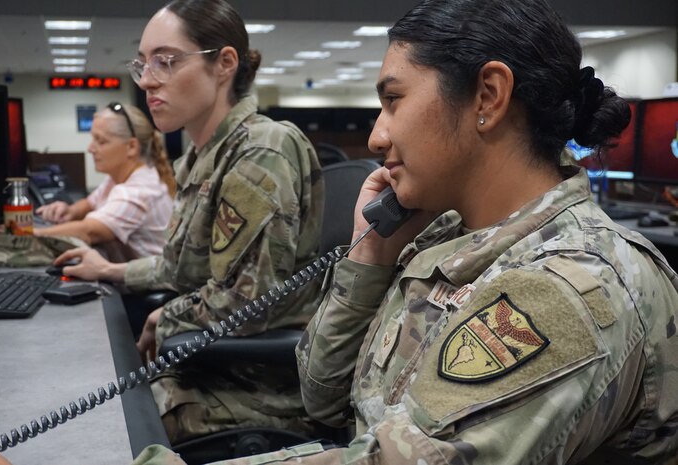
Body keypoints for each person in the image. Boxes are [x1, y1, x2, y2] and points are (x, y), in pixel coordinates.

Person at [124, 0, 678, 463]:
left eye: (393, 100)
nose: (376, 137)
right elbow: (320, 396)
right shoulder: (439, 232)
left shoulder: (568, 285)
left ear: (487, 96)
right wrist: (370, 258)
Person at [54, 0, 324, 447]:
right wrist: (110, 272)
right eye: (142, 64)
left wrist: (166, 316)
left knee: (97, 436)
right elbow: (182, 268)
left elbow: (247, 300)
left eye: (167, 61)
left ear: (224, 64)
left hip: (254, 384)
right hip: (210, 361)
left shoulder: (260, 151)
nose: (147, 80)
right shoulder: (201, 157)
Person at [34, 103, 176, 261]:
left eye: (100, 141)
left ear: (131, 146)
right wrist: (70, 211)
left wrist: (29, 233)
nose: (90, 148)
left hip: (152, 284)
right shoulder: (117, 178)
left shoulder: (138, 191)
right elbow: (90, 202)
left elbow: (88, 232)